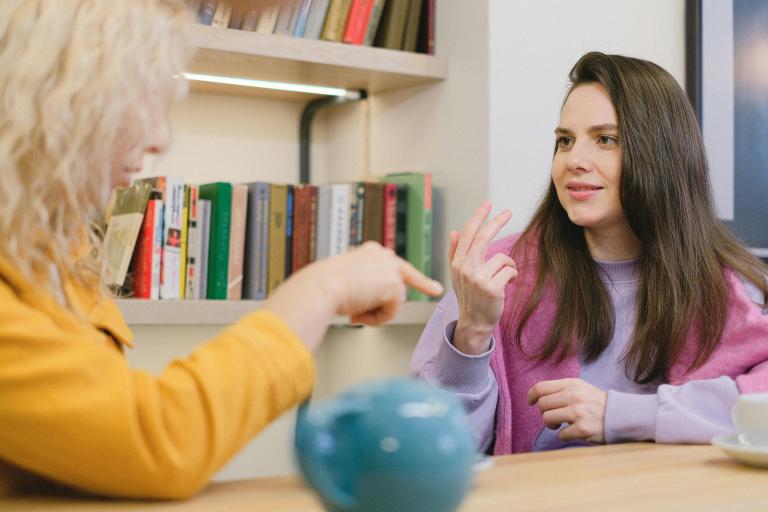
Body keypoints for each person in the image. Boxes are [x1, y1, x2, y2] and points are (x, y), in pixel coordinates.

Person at [0, 0, 443, 499]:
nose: (159, 138)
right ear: (54, 104)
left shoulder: (56, 247)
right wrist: (325, 287)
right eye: (134, 101)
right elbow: (155, 440)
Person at [412, 51, 768, 456]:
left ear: (661, 154)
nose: (573, 161)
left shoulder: (730, 284)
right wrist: (472, 332)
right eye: (565, 141)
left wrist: (620, 414)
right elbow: (430, 449)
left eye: (605, 139)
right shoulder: (494, 273)